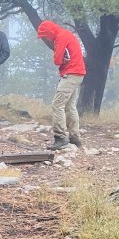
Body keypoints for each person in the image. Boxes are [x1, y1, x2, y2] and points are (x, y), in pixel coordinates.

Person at [36, 20, 86, 150]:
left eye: (45, 35)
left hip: (71, 74)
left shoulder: (60, 37)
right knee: (70, 106)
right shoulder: (66, 34)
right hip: (78, 73)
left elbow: (57, 60)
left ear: (49, 32)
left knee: (57, 105)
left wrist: (59, 59)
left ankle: (60, 137)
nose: (46, 39)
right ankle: (75, 138)